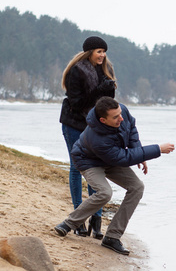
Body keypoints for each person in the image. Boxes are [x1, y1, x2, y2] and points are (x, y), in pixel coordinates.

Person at [54, 96, 175, 255]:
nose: (121, 118)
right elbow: (124, 158)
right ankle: (68, 224)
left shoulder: (121, 110)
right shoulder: (98, 139)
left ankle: (112, 237)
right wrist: (158, 149)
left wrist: (140, 153)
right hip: (88, 161)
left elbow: (131, 127)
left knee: (137, 187)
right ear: (103, 120)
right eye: (116, 117)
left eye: (120, 113)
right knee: (105, 193)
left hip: (111, 156)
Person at [59, 36, 116, 239]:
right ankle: (78, 219)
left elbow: (108, 105)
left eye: (104, 51)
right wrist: (97, 91)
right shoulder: (77, 70)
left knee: (95, 168)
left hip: (95, 126)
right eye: (98, 51)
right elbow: (76, 103)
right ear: (89, 52)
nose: (102, 55)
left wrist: (109, 92)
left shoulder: (106, 69)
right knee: (76, 168)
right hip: (74, 123)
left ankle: (96, 220)